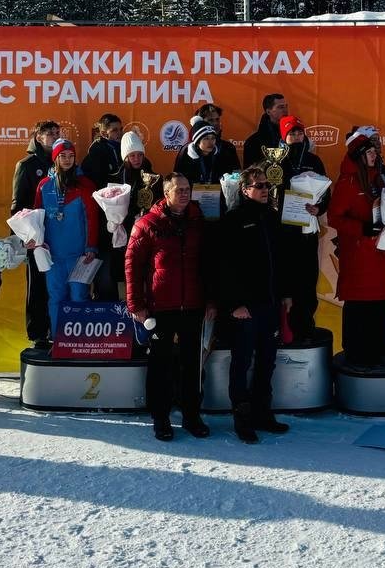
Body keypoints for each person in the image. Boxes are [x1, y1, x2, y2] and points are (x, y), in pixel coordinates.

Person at [125, 172, 215, 442]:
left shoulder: (199, 222)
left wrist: (211, 300)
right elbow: (132, 265)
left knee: (191, 364)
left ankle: (191, 415)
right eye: (179, 190)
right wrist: (136, 304)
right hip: (160, 307)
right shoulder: (147, 223)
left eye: (188, 189)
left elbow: (208, 265)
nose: (185, 194)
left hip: (193, 305)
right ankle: (161, 417)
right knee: (160, 365)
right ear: (166, 194)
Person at [220, 165, 293, 444]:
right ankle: (242, 418)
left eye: (266, 186)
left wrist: (285, 293)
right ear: (245, 189)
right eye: (259, 186)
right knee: (241, 362)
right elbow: (225, 268)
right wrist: (234, 304)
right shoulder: (234, 220)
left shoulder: (273, 217)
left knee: (267, 361)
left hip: (271, 305)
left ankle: (263, 413)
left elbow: (282, 260)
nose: (265, 190)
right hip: (245, 308)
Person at [327, 127, 385, 369]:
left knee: (379, 298)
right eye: (368, 152)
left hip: (378, 250)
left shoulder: (376, 177)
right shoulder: (348, 181)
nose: (373, 155)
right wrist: (361, 229)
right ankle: (356, 349)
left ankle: (378, 344)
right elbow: (334, 218)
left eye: (373, 151)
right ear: (359, 155)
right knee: (359, 301)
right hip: (357, 252)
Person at [32, 138, 100, 337]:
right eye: (63, 156)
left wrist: (91, 247)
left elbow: (92, 219)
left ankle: (79, 343)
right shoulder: (44, 186)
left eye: (71, 156)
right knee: (56, 298)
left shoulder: (86, 185)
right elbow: (37, 217)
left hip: (80, 255)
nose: (68, 160)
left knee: (79, 297)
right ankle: (57, 340)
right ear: (55, 158)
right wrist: (35, 241)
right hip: (52, 255)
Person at [276, 115, 330, 345]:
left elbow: (327, 191)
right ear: (283, 137)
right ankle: (284, 328)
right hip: (284, 230)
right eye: (292, 133)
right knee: (286, 279)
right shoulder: (276, 162)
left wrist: (319, 208)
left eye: (300, 133)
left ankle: (305, 327)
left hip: (307, 228)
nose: (297, 137)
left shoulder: (314, 160)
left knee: (308, 279)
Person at [11, 118, 60, 349]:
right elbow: (17, 205)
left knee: (58, 285)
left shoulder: (63, 161)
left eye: (57, 132)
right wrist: (25, 236)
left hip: (60, 234)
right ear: (38, 136)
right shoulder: (27, 165)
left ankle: (60, 330)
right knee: (38, 286)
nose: (53, 135)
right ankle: (39, 335)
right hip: (36, 236)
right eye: (49, 132)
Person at [106, 130, 163, 296]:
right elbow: (109, 206)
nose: (137, 159)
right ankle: (125, 309)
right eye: (132, 155)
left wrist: (147, 215)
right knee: (124, 273)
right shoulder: (115, 178)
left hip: (146, 233)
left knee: (146, 272)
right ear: (125, 157)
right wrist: (113, 221)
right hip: (123, 234)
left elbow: (160, 204)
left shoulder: (155, 178)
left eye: (140, 155)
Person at [174, 121, 240, 215]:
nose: (210, 142)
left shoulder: (222, 154)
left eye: (213, 138)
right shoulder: (186, 154)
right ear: (197, 141)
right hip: (192, 204)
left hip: (217, 202)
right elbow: (177, 180)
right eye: (206, 138)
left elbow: (232, 178)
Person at [242, 92, 288, 167]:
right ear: (268, 111)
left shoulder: (295, 136)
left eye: (286, 106)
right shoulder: (253, 142)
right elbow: (249, 173)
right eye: (280, 107)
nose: (285, 110)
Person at [82, 113, 124, 188]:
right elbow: (98, 181)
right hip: (105, 195)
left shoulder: (124, 146)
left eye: (121, 129)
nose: (120, 133)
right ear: (104, 134)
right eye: (115, 130)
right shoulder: (97, 151)